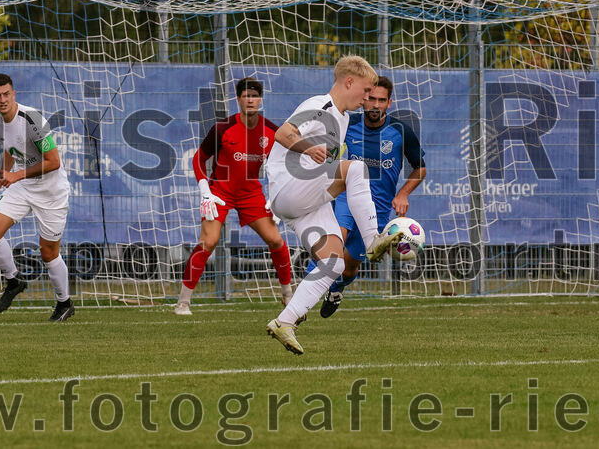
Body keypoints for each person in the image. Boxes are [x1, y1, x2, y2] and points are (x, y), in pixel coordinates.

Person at [263, 55, 402, 355]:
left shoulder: (341, 118)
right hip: (290, 187)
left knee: (334, 262)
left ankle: (285, 322)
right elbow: (283, 133)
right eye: (365, 92)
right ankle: (372, 240)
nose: (367, 100)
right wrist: (307, 147)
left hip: (304, 202)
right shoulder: (321, 107)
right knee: (355, 169)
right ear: (349, 82)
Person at [175, 77, 294, 314]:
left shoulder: (272, 131)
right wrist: (205, 191)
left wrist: (277, 195)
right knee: (208, 242)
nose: (250, 100)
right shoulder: (222, 128)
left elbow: (284, 164)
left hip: (251, 194)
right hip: (220, 191)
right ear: (238, 99)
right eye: (246, 96)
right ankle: (183, 302)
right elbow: (198, 158)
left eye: (255, 96)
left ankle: (288, 297)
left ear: (261, 100)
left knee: (276, 241)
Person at [317, 75, 426, 317]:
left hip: (377, 209)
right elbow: (329, 151)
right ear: (364, 99)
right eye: (372, 99)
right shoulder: (347, 124)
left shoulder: (400, 131)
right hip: (345, 197)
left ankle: (336, 290)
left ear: (389, 103)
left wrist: (402, 194)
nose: (375, 105)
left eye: (382, 100)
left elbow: (420, 167)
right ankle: (298, 306)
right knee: (333, 243)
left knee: (350, 265)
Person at [0, 73, 74, 322]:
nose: (2, 99)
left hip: (51, 191)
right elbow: (10, 147)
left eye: (6, 94)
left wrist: (17, 175)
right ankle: (14, 281)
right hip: (22, 186)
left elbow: (54, 162)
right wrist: (3, 179)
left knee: (48, 253)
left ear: (14, 94)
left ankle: (64, 303)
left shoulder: (32, 118)